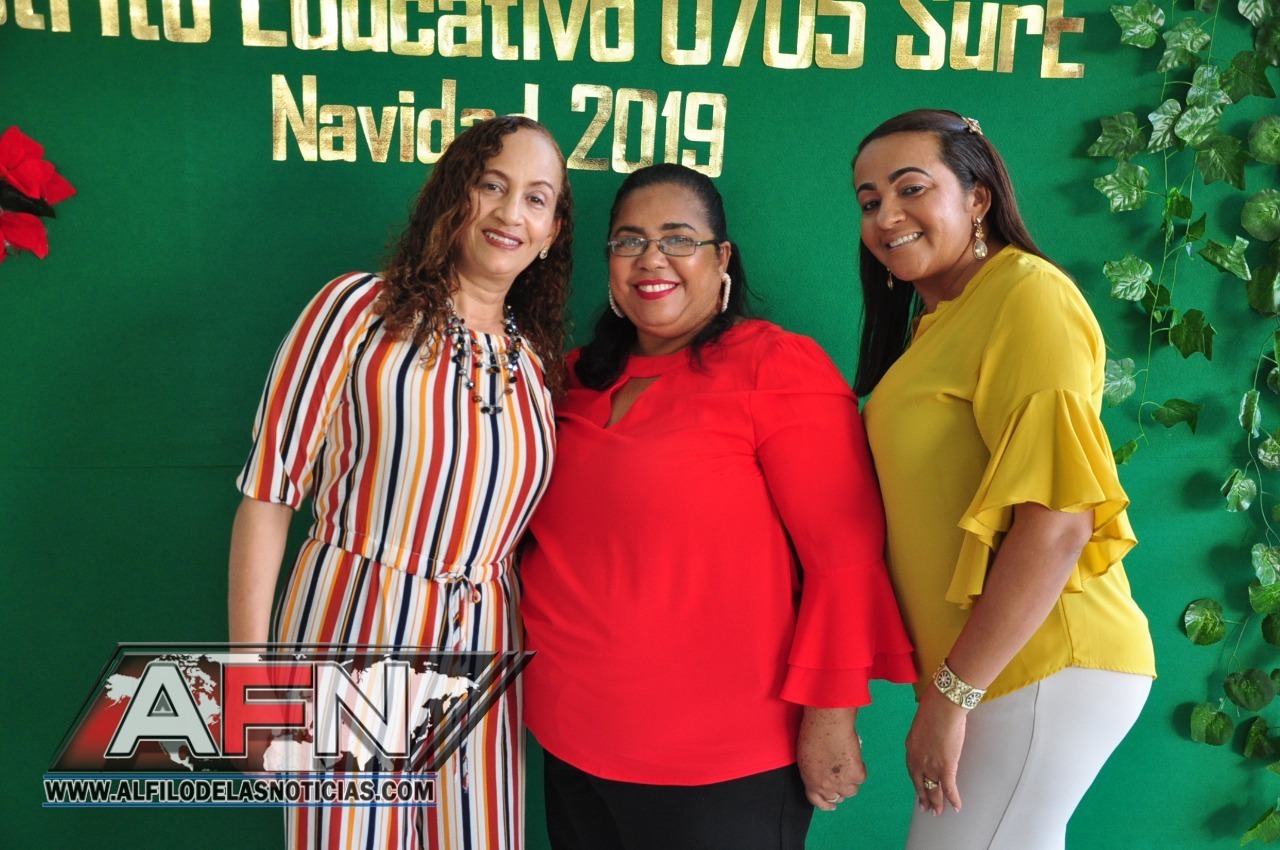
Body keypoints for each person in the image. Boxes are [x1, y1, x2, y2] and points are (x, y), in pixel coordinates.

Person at [519, 162, 915, 850]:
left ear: (722, 257)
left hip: (723, 762)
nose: (652, 259)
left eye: (679, 239)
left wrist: (831, 717)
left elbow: (845, 561)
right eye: (629, 241)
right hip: (569, 741)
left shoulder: (776, 366)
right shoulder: (568, 378)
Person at [227, 115, 573, 850]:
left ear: (551, 234)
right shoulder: (359, 309)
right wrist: (250, 685)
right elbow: (268, 496)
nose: (512, 212)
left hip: (484, 651)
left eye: (536, 198)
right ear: (454, 196)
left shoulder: (540, 365)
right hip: (354, 627)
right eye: (492, 185)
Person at [851, 108, 1156, 849]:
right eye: (869, 200)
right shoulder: (943, 321)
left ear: (978, 197)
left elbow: (1059, 522)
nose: (886, 216)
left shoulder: (1026, 294)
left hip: (1039, 664)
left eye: (911, 189)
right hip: (997, 671)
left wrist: (952, 697)